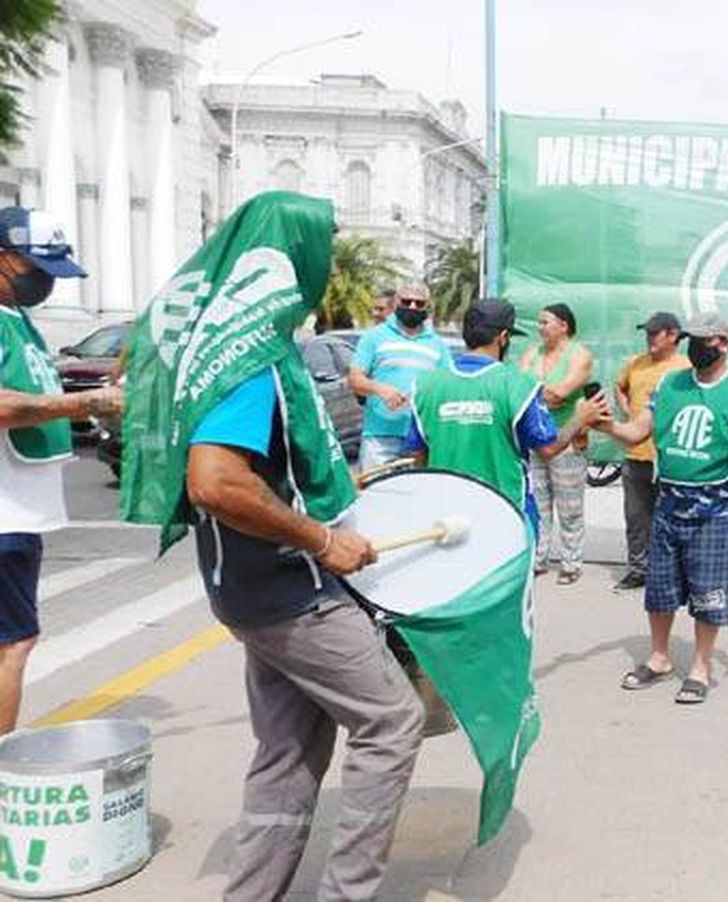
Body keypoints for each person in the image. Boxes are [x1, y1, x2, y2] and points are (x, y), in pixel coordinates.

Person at [167, 195, 423, 899]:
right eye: (325, 247)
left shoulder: (235, 343)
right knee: (390, 722)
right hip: (289, 590)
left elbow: (262, 468)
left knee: (290, 750)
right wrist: (321, 538)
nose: (329, 261)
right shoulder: (250, 358)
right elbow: (215, 482)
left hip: (253, 587)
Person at [596, 310, 728, 705]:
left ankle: (700, 667)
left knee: (708, 593)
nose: (693, 345)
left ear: (723, 344)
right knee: (660, 590)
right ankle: (659, 658)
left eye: (702, 339)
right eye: (690, 338)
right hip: (669, 502)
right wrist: (605, 424)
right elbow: (637, 431)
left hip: (715, 509)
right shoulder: (670, 384)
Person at [0, 207, 118, 735]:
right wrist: (83, 404)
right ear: (4, 258)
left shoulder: (16, 319)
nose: (45, 281)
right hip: (3, 518)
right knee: (12, 644)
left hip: (21, 516)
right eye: (36, 267)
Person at [405, 298, 608, 527]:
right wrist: (580, 418)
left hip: (445, 513)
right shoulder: (518, 385)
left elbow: (417, 455)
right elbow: (548, 448)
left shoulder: (425, 385)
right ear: (503, 338)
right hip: (505, 514)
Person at [613, 312, 690, 590]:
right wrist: (625, 407)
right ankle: (638, 569)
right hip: (635, 455)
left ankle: (669, 571)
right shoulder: (635, 364)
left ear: (672, 335)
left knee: (670, 519)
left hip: (670, 459)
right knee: (636, 517)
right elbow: (619, 387)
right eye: (646, 333)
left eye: (654, 333)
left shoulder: (685, 368)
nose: (649, 338)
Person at [519, 303, 594, 585]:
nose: (540, 327)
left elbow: (562, 393)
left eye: (545, 322)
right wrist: (546, 393)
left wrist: (538, 392)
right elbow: (521, 392)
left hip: (568, 438)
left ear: (564, 326)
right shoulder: (531, 353)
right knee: (538, 503)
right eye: (539, 322)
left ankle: (571, 563)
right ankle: (538, 559)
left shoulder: (580, 355)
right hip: (535, 438)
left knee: (570, 505)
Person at [349, 283, 452, 470]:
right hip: (380, 438)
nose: (412, 307)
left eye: (419, 303)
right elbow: (355, 380)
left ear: (427, 307)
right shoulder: (374, 337)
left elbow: (449, 386)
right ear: (396, 303)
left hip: (421, 439)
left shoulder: (438, 345)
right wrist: (381, 389)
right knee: (377, 494)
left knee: (418, 497)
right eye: (407, 301)